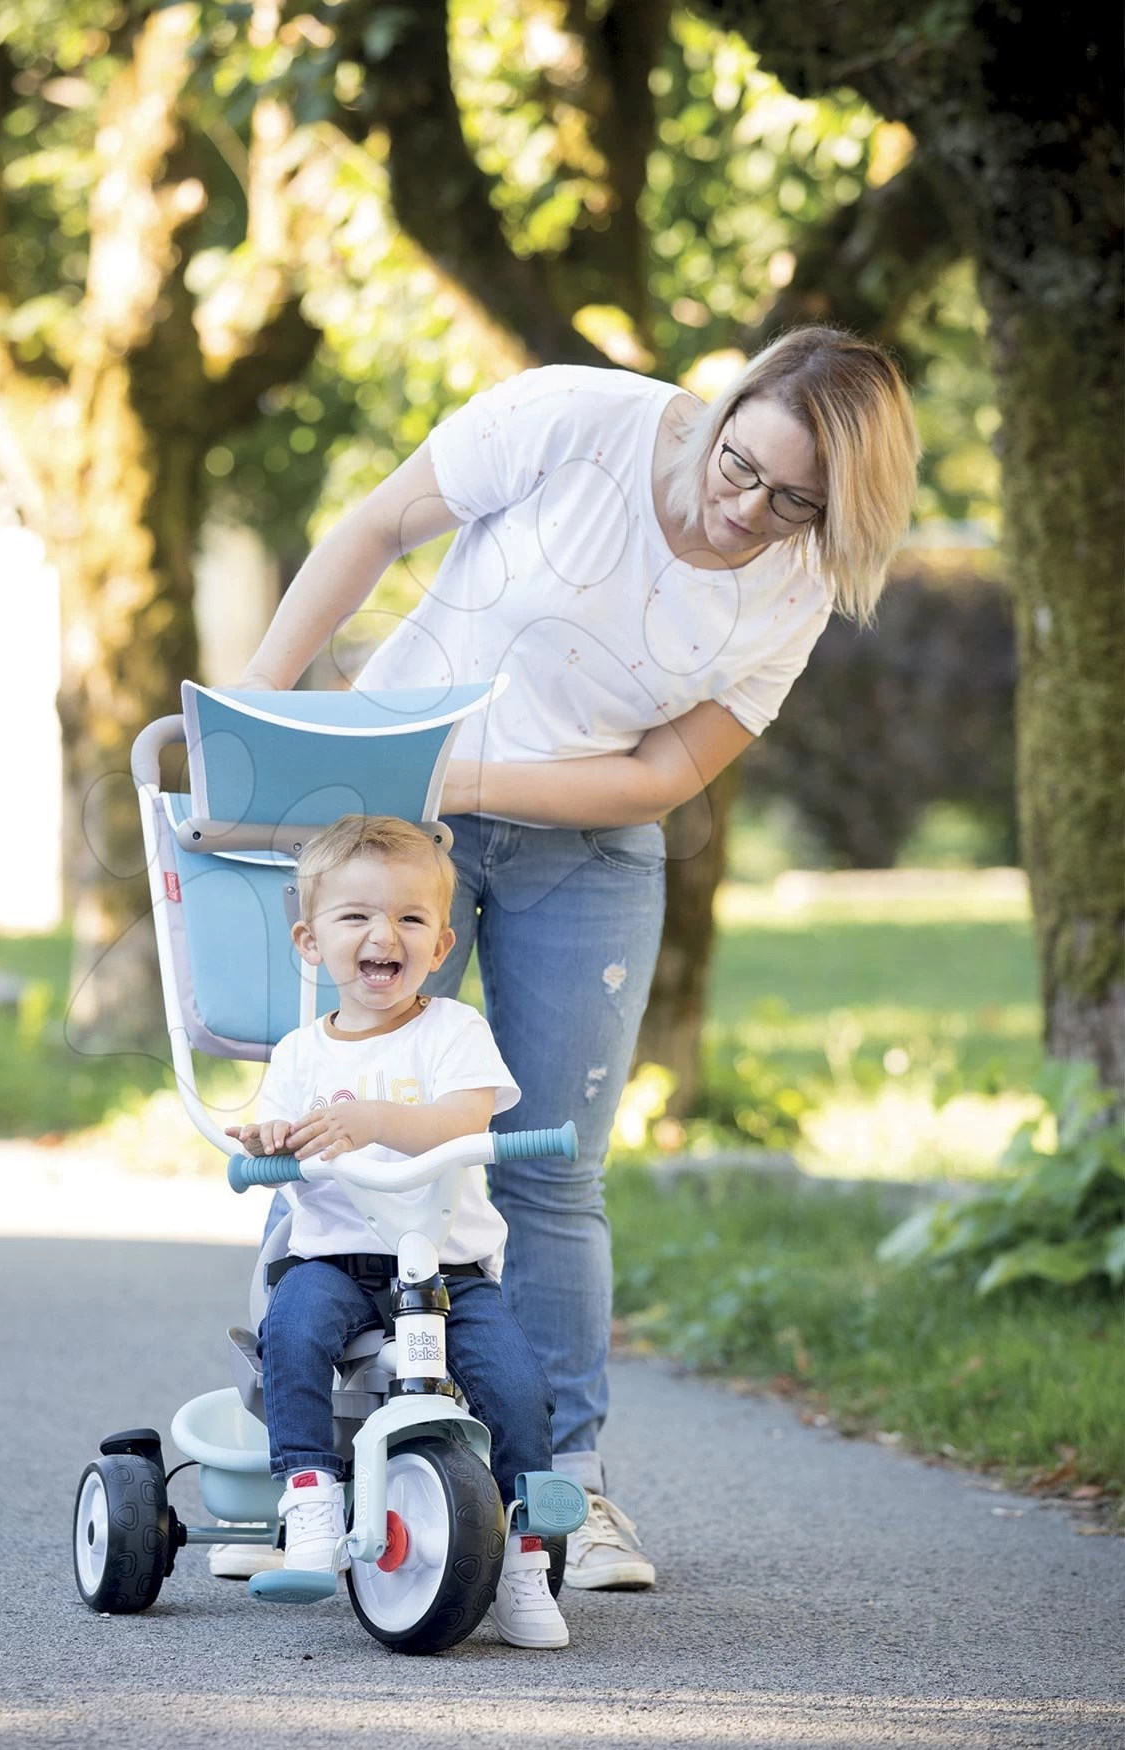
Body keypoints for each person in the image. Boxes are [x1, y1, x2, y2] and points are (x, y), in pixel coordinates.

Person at [236, 327, 920, 1590]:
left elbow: (664, 774)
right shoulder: (571, 418)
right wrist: (264, 715)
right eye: (741, 465)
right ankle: (314, 1463)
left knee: (549, 1167)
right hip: (396, 824)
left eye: (795, 503)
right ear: (727, 403)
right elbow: (380, 526)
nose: (746, 511)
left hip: (587, 847)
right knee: (344, 1116)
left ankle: (569, 1491)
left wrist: (475, 775)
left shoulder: (797, 587)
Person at [226, 812, 569, 1649]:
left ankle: (525, 1558)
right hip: (337, 1260)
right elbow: (272, 1125)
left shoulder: (455, 1034)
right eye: (357, 918)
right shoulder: (302, 1054)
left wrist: (375, 1118)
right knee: (292, 1330)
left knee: (517, 1387)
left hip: (447, 1269)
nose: (385, 934)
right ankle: (310, 1494)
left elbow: (464, 1117)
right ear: (312, 941)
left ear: (443, 943)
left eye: (411, 919)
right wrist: (268, 1138)